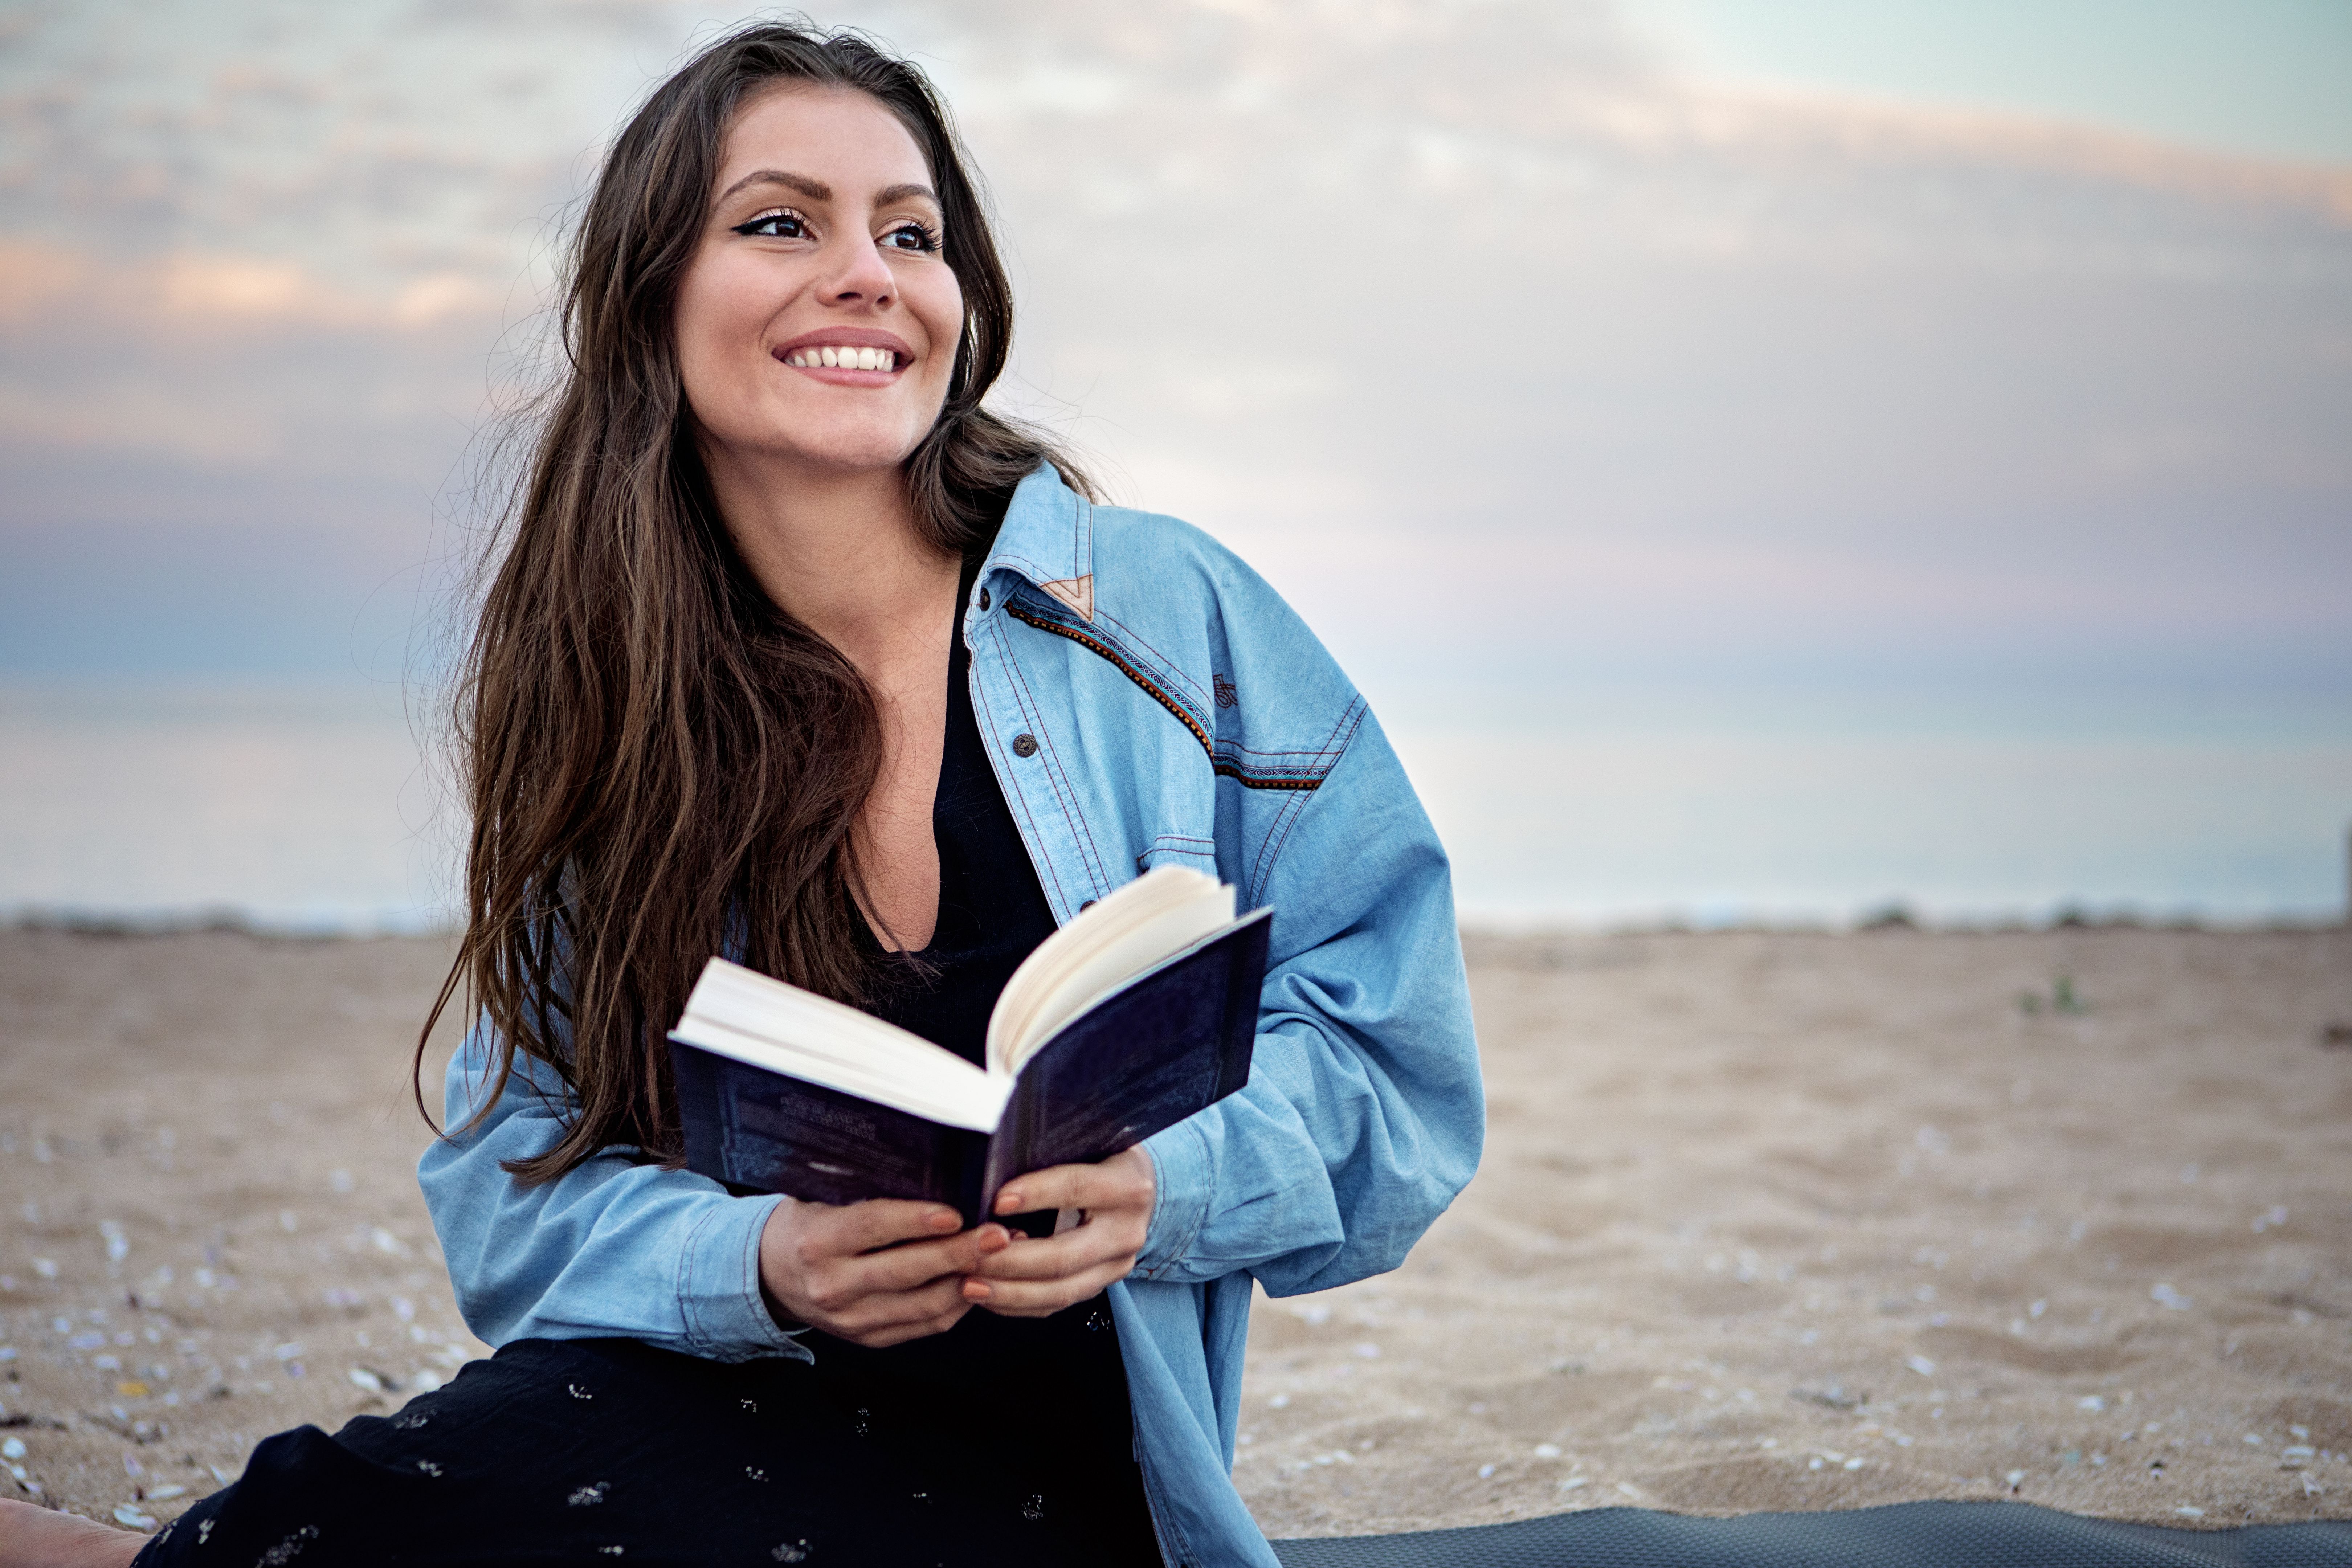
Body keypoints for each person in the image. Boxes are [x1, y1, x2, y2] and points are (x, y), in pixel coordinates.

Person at [0, 21, 1480, 1568]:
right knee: (352, 1506)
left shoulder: (1164, 620)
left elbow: (1405, 1075)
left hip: (1065, 1485)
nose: (868, 273)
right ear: (652, 303)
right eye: (783, 222)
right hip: (698, 1402)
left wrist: (1164, 1187)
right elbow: (513, 1207)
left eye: (913, 233)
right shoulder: (626, 703)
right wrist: (758, 1260)